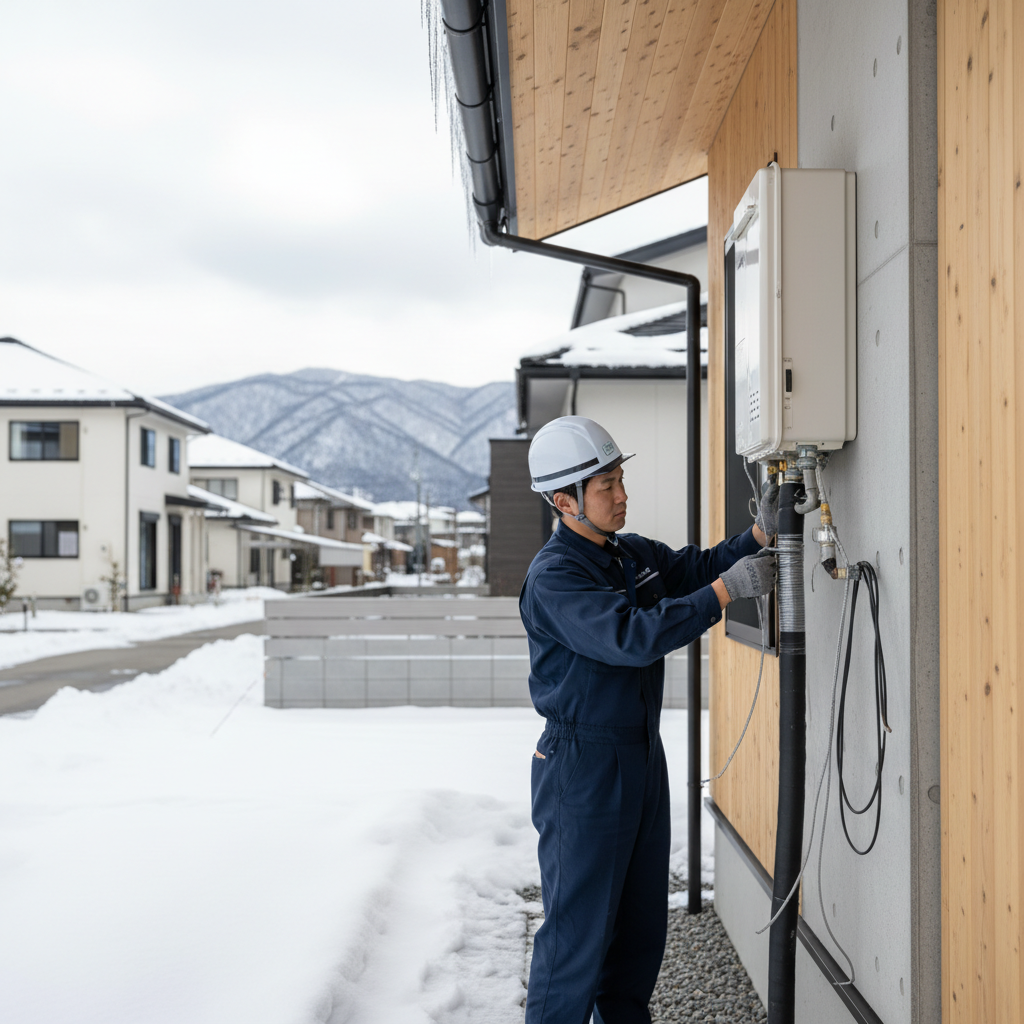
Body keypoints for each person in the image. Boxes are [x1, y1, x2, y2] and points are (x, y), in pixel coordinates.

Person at [520, 415, 777, 1024]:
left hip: (638, 754)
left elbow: (694, 566)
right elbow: (630, 637)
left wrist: (760, 535)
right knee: (578, 932)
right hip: (581, 766)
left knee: (638, 926)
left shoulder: (627, 555)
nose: (621, 495)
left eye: (620, 479)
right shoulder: (555, 576)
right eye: (604, 485)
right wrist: (723, 594)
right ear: (564, 500)